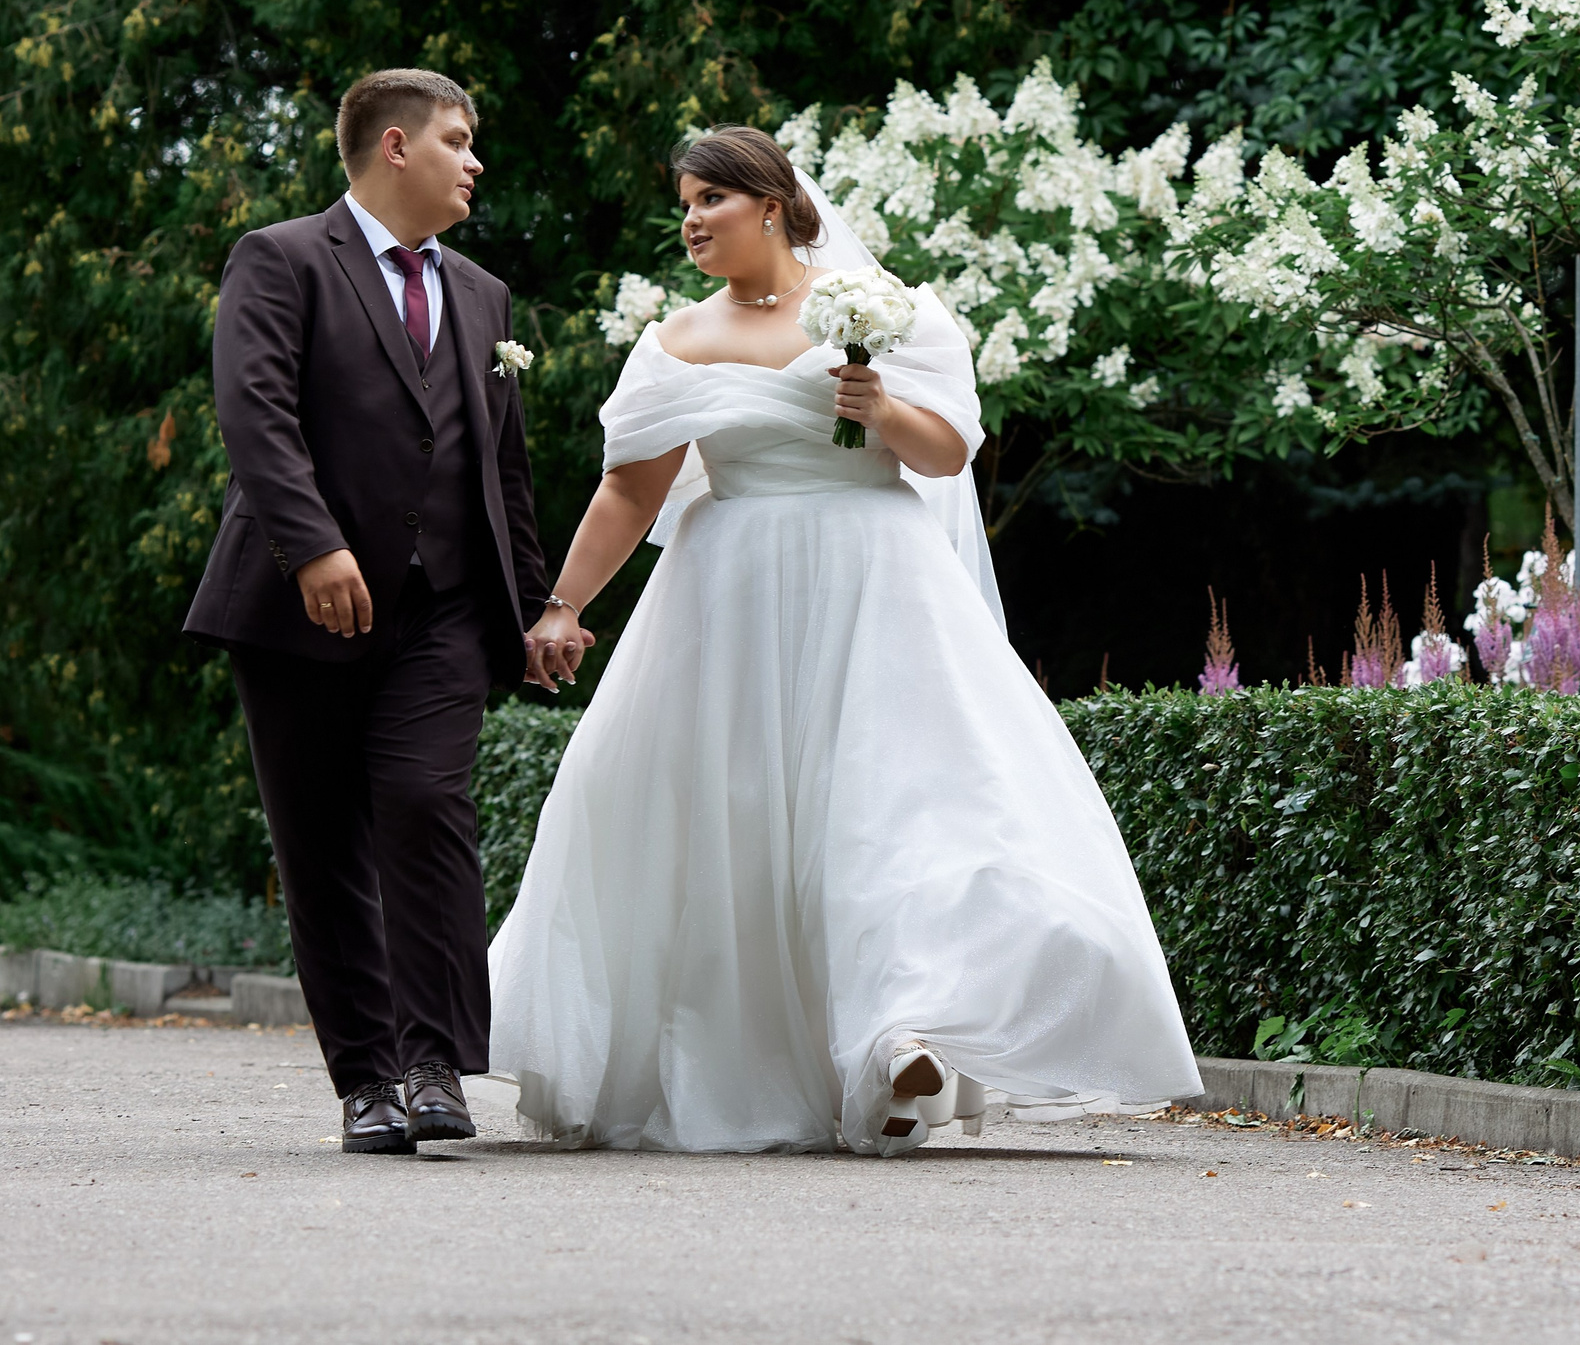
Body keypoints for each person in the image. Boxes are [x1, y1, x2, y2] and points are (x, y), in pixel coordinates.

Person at [487, 126, 1199, 1154]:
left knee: (895, 806)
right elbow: (628, 487)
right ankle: (755, 1053)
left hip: (877, 580)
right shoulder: (678, 338)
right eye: (682, 203)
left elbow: (949, 450)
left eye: (708, 200)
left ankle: (900, 1035)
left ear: (771, 204)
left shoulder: (884, 312)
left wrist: (881, 409)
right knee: (713, 820)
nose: (689, 220)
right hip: (724, 592)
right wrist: (560, 603)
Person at [184, 69, 549, 1155]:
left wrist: (536, 605)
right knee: (320, 840)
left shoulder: (484, 294)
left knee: (425, 802)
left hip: (443, 611)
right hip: (298, 605)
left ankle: (436, 1059)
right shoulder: (283, 256)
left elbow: (506, 471)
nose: (475, 159)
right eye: (459, 137)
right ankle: (366, 1079)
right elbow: (252, 408)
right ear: (395, 145)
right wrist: (314, 543)